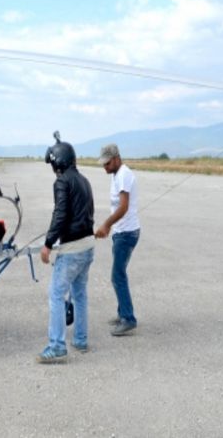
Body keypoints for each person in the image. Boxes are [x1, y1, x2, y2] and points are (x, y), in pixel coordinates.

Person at [37, 132, 95, 364]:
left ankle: (57, 346)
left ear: (58, 162)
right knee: (79, 295)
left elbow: (60, 214)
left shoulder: (62, 181)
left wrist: (48, 244)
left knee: (56, 295)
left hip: (71, 250)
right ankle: (80, 339)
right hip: (88, 246)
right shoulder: (84, 180)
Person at [95, 143, 141, 337]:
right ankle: (123, 313)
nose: (104, 167)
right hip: (120, 233)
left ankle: (129, 319)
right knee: (119, 274)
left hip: (127, 234)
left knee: (117, 276)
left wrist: (106, 225)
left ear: (115, 159)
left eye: (106, 163)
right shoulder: (116, 174)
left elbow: (123, 207)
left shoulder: (124, 174)